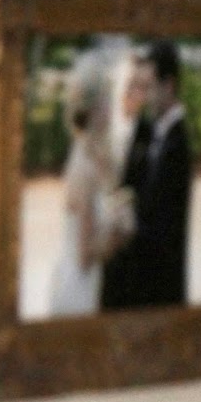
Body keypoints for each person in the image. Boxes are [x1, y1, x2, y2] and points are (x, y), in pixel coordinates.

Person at [49, 52, 128, 316]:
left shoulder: (93, 156)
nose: (112, 109)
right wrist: (117, 236)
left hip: (88, 285)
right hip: (79, 292)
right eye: (109, 100)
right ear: (97, 107)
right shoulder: (82, 166)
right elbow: (84, 255)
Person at [124, 39, 193, 307]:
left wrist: (123, 231)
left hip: (162, 284)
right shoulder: (152, 131)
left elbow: (163, 223)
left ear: (169, 85)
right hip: (145, 280)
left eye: (149, 87)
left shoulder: (177, 144)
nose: (144, 96)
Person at [100, 52, 153, 310]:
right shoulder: (101, 128)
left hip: (134, 245)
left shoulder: (150, 134)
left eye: (142, 87)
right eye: (131, 84)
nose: (135, 93)